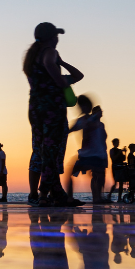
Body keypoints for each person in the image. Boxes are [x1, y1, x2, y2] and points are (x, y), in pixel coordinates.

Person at [23, 23, 84, 207]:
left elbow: (78, 75)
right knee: (51, 151)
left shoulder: (31, 58)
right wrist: (60, 79)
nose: (57, 39)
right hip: (52, 110)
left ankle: (55, 193)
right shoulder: (49, 51)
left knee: (45, 151)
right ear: (50, 38)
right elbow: (52, 64)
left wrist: (60, 66)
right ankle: (44, 194)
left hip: (36, 108)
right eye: (56, 36)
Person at [67, 95, 108, 205]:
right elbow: (73, 128)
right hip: (88, 155)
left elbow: (102, 137)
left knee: (98, 176)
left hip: (98, 155)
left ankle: (97, 197)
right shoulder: (84, 120)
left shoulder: (96, 122)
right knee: (72, 172)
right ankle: (70, 198)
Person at [107, 138, 125, 203]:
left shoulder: (119, 150)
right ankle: (109, 194)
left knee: (121, 183)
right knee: (115, 182)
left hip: (121, 166)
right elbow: (113, 158)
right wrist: (120, 152)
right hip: (115, 167)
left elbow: (123, 159)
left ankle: (119, 198)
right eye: (117, 142)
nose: (118, 144)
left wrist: (124, 152)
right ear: (113, 143)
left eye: (118, 142)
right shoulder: (112, 150)